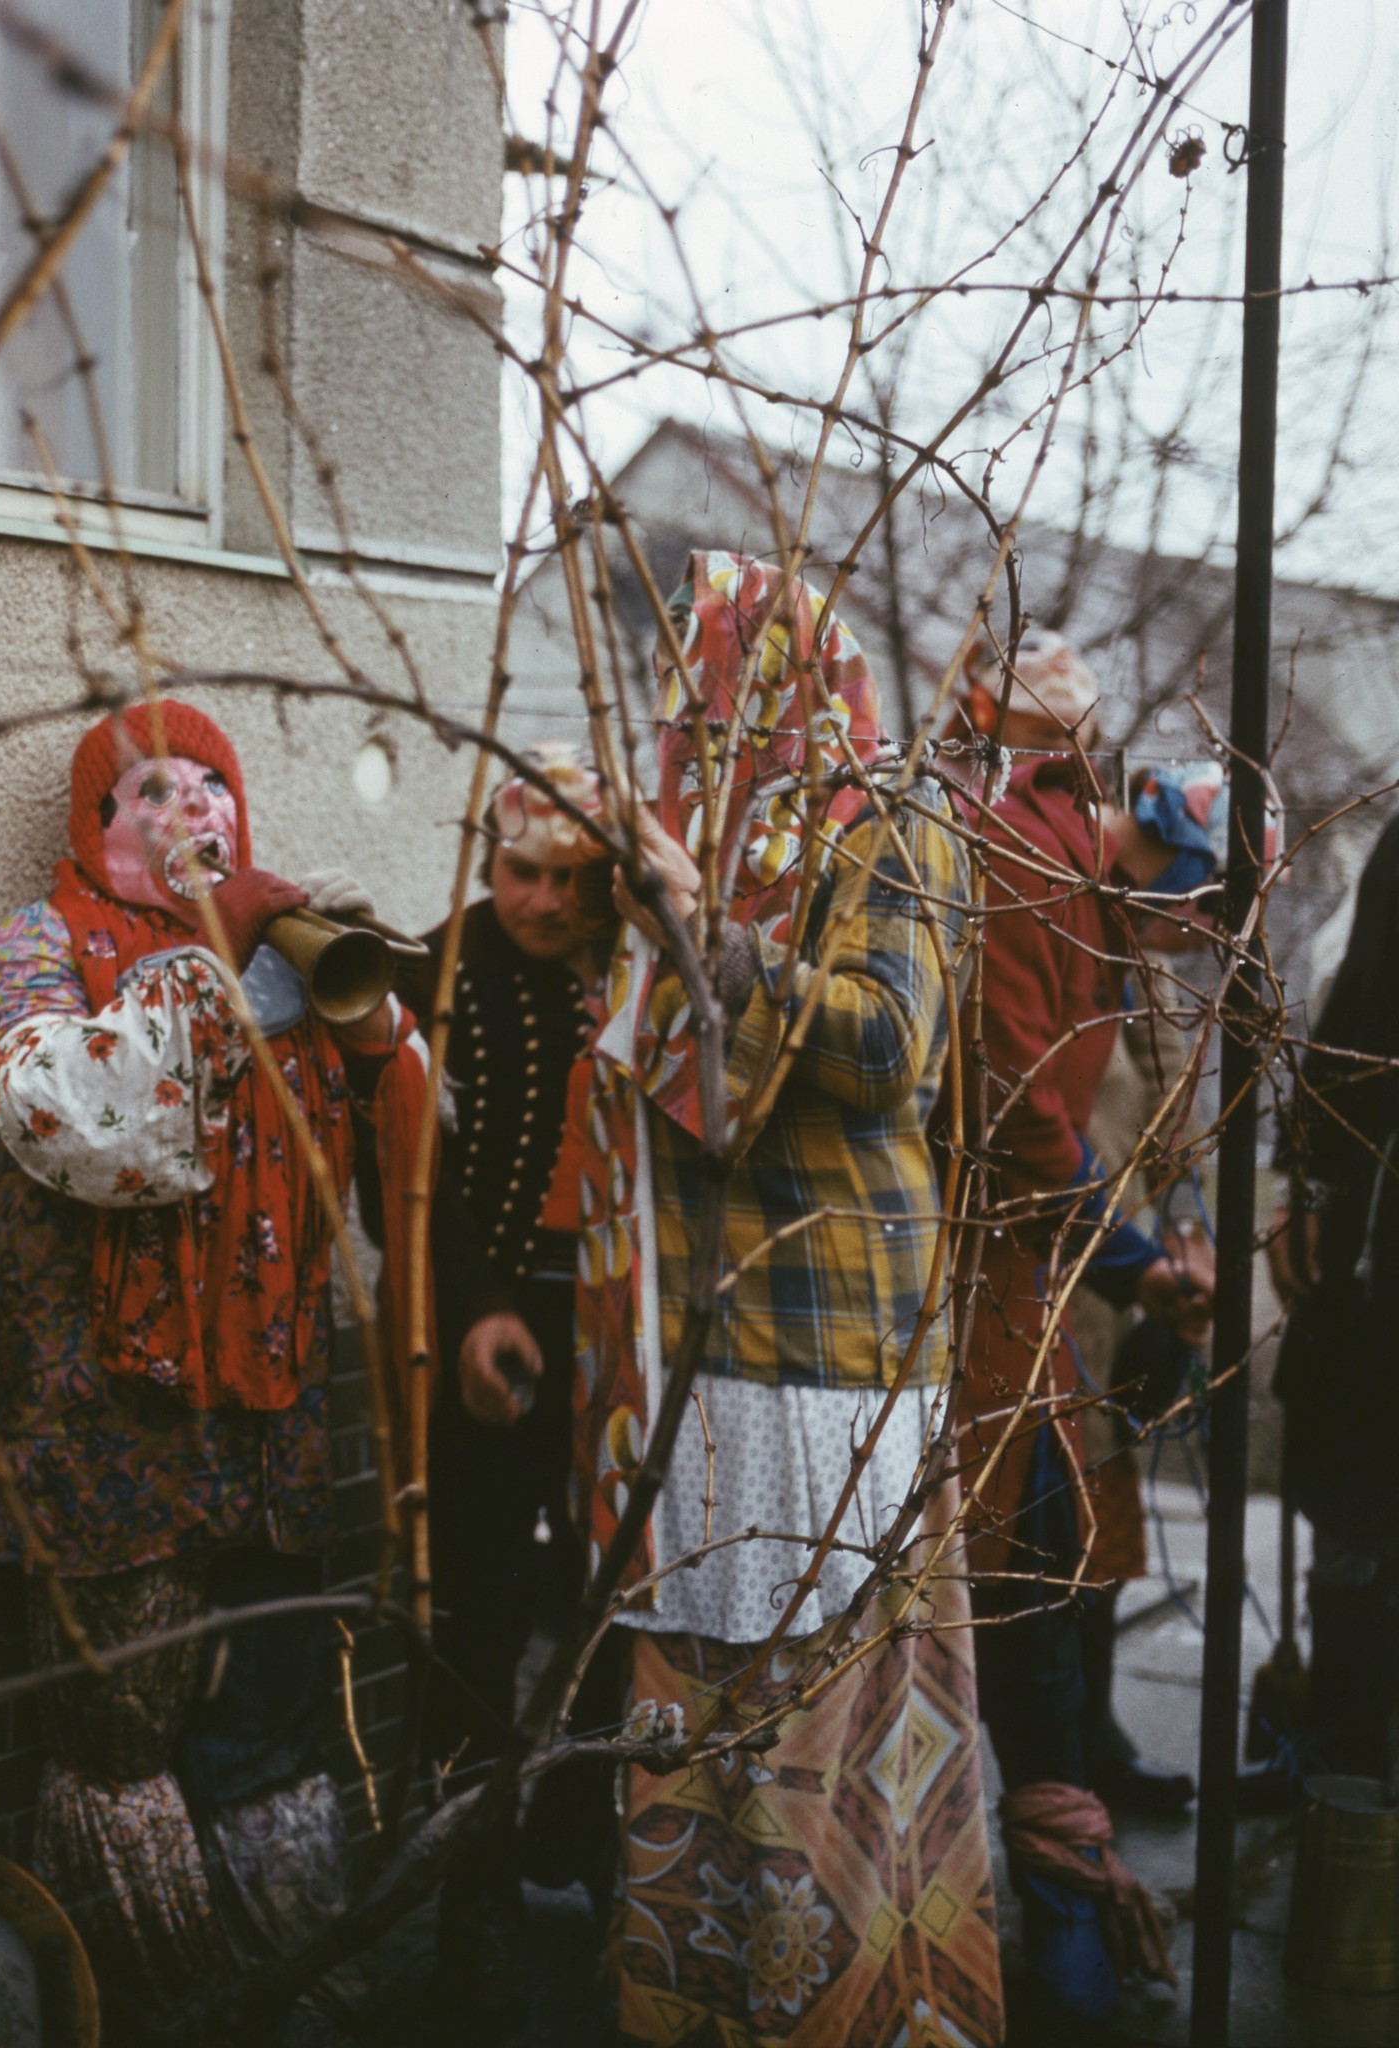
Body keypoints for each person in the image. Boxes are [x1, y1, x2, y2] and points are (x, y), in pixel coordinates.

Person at [572, 554, 1003, 2047]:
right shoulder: (698, 834)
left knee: (828, 1726)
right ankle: (698, 2010)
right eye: (689, 693)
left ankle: (845, 2013)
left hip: (832, 1352)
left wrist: (712, 933)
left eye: (724, 685)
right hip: (695, 1351)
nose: (701, 718)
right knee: (696, 1727)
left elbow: (890, 1048)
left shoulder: (891, 816)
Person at [0, 699, 425, 2029]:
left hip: (270, 1422)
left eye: (209, 785)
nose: (191, 814)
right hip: (113, 1438)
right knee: (120, 1743)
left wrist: (369, 1025)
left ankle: (305, 1994)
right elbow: (65, 1111)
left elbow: (406, 1153)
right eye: (152, 793)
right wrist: (227, 982)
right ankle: (171, 2002)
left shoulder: (292, 942)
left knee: (272, 1732)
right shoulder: (35, 945)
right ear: (94, 824)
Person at [942, 630, 1214, 2024]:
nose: (1186, 944)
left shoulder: (1089, 890)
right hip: (1000, 1283)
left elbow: (1148, 1094)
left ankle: (1066, 1872)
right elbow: (1021, 1107)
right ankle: (1058, 1926)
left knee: (1067, 1568)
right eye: (1188, 914)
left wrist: (1173, 1236)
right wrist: (1129, 1257)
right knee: (1024, 1589)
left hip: (1062, 1279)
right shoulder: (1029, 863)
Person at [391, 743, 616, 2027]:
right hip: (479, 1310)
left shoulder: (631, 970)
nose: (545, 901)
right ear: (488, 862)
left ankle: (583, 1826)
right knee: (475, 1611)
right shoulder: (435, 973)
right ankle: (470, 1898)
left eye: (573, 878)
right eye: (524, 872)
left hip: (614, 1316)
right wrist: (473, 1308)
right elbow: (406, 1175)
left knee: (615, 1594)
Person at [1267, 807, 1399, 1785]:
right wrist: (1304, 1194)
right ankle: (1342, 1778)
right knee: (1353, 1529)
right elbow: (1359, 1009)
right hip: (1366, 1292)